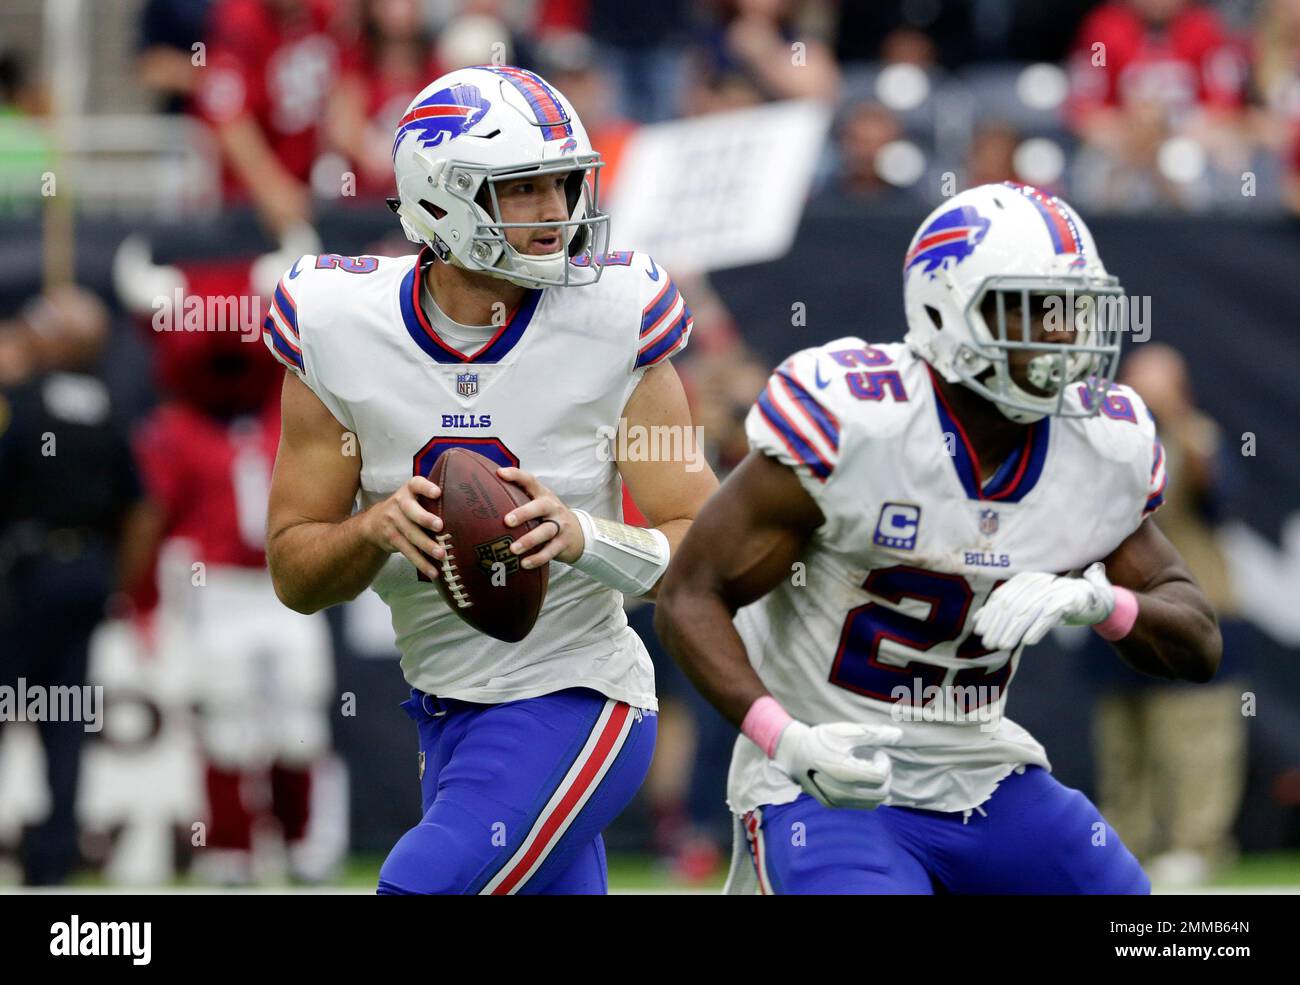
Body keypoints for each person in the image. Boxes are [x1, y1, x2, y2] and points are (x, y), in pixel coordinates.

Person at [654, 182, 1222, 894]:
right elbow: (689, 594)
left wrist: (1103, 605)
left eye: (1073, 309)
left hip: (983, 772)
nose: (1062, 334)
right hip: (835, 775)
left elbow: (1198, 640)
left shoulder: (1101, 442)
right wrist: (782, 736)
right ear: (945, 308)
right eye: (1032, 308)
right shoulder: (858, 422)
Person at [262, 65, 718, 894]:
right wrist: (370, 530)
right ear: (441, 198)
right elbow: (296, 571)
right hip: (442, 708)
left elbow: (708, 549)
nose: (558, 214)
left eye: (566, 184)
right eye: (526, 189)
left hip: (579, 695)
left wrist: (586, 539)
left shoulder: (617, 313)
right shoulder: (338, 325)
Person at [0, 286, 152, 884]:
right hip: (86, 574)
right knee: (64, 723)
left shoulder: (19, 402)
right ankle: (52, 861)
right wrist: (116, 583)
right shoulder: (110, 409)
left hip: (21, 577)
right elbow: (141, 510)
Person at [1088, 343, 1248, 886]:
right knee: (1123, 736)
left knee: (1196, 734)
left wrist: (1177, 416)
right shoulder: (1103, 438)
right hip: (1116, 602)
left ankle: (1196, 844)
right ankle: (1126, 841)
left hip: (1193, 604)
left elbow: (1221, 498)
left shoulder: (1196, 433)